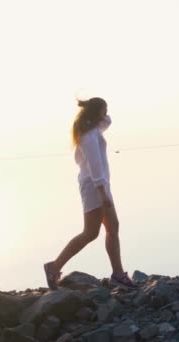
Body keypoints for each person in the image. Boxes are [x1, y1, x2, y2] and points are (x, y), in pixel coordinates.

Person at [43, 97, 137, 290]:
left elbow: (107, 121)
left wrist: (97, 111)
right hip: (95, 187)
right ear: (97, 113)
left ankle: (117, 274)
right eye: (104, 110)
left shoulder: (93, 130)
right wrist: (102, 192)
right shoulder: (89, 136)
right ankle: (54, 266)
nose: (107, 113)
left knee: (111, 228)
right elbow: (95, 166)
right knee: (91, 233)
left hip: (99, 186)